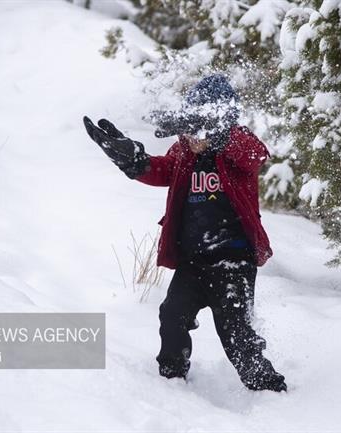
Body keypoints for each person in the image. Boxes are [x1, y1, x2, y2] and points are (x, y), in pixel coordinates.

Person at [83, 74, 286, 392]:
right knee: (171, 315)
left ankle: (266, 385)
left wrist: (219, 134)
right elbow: (159, 169)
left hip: (233, 259)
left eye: (199, 128)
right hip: (194, 262)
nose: (192, 137)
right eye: (188, 127)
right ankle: (172, 377)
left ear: (219, 123)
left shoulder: (238, 149)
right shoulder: (183, 154)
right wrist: (132, 160)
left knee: (235, 330)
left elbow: (256, 156)